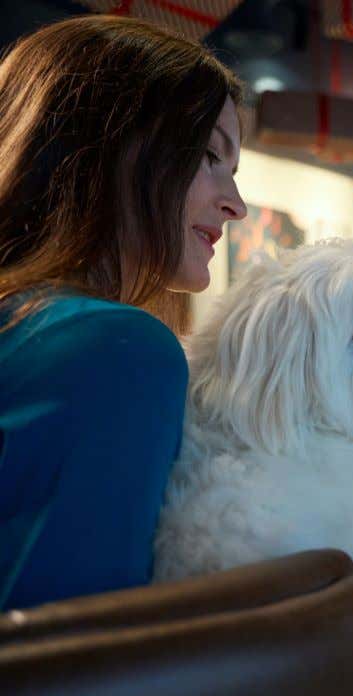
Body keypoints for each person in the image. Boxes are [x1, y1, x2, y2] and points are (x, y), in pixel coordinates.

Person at [0, 15, 247, 610]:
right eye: (209, 155)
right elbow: (75, 654)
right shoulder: (114, 347)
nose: (235, 204)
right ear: (113, 145)